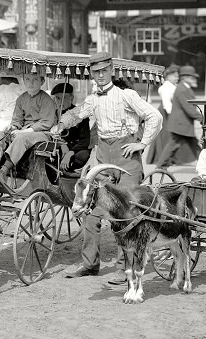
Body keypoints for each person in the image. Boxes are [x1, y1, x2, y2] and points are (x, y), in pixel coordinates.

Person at [53, 51, 162, 277]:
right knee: (92, 214)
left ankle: (126, 269)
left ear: (111, 71)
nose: (100, 75)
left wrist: (141, 144)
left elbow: (154, 116)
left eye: (104, 71)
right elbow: (77, 115)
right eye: (96, 72)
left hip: (126, 155)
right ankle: (90, 264)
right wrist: (60, 125)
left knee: (126, 212)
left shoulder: (126, 95)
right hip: (104, 156)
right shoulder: (93, 99)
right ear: (91, 74)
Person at [0, 72, 56, 187]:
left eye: (35, 79)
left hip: (42, 133)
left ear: (42, 81)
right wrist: (13, 127)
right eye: (27, 79)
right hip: (23, 131)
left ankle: (3, 170)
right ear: (23, 81)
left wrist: (23, 131)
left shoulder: (47, 100)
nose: (30, 83)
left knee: (21, 138)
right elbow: (17, 120)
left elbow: (46, 123)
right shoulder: (21, 99)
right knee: (0, 134)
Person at [154, 64, 201, 169]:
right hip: (181, 124)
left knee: (190, 144)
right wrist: (200, 118)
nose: (194, 79)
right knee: (176, 145)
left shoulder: (183, 88)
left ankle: (161, 165)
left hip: (182, 123)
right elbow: (187, 107)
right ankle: (160, 165)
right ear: (185, 78)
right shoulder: (182, 89)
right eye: (192, 77)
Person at [51, 82, 92, 172]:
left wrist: (70, 153)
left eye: (64, 98)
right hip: (58, 147)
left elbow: (85, 140)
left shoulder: (80, 114)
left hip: (76, 148)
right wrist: (62, 144)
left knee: (82, 155)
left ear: (71, 98)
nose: (61, 101)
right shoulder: (52, 114)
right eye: (58, 98)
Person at [150, 65, 179, 163]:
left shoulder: (172, 86)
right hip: (166, 112)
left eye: (177, 76)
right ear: (168, 77)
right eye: (174, 76)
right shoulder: (166, 87)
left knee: (169, 135)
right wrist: (172, 115)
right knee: (166, 135)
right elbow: (167, 103)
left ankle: (169, 158)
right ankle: (163, 158)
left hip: (170, 111)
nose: (177, 78)